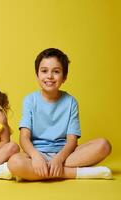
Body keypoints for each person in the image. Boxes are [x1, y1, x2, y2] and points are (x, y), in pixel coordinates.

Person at [8, 48, 112, 181]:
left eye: (56, 72)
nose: (49, 76)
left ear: (64, 77)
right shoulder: (30, 100)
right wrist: (35, 156)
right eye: (44, 71)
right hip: (38, 155)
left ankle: (41, 172)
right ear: (37, 75)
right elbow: (24, 138)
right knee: (14, 162)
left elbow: (72, 140)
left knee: (104, 145)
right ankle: (77, 173)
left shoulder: (71, 102)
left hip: (66, 155)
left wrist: (59, 159)